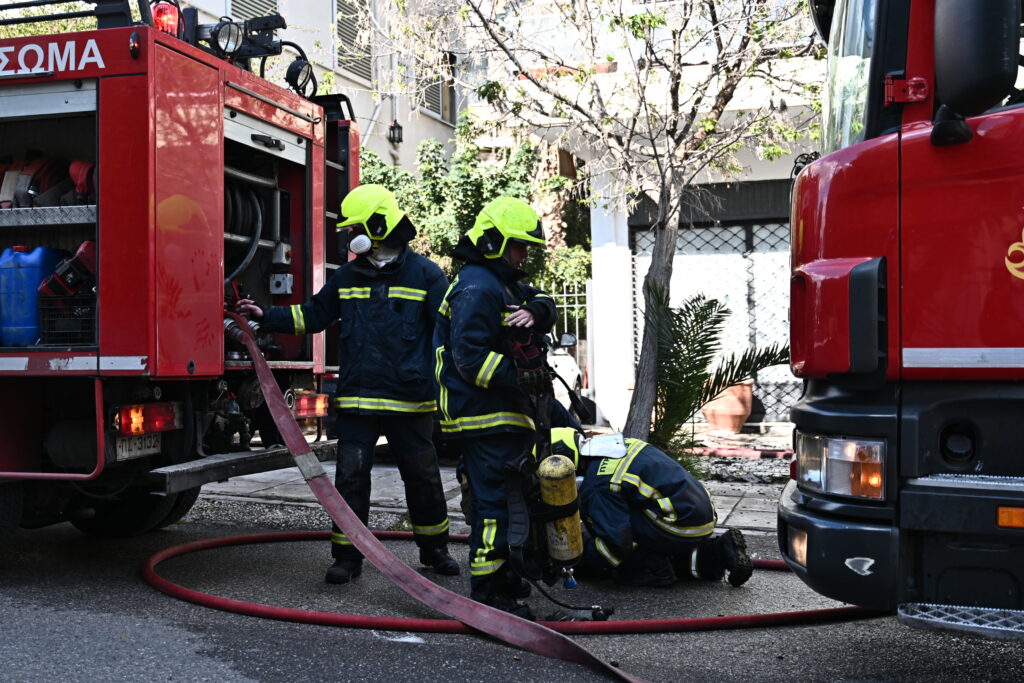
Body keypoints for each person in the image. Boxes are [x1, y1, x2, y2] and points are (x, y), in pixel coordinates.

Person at [237, 184, 459, 584]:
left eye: (356, 227)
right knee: (351, 479)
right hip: (358, 400)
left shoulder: (426, 275)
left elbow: (448, 332)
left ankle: (435, 550)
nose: (351, 237)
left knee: (423, 478)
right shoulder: (348, 277)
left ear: (379, 224)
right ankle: (347, 556)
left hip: (411, 403)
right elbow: (313, 316)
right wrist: (265, 316)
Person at [434, 196, 555, 618]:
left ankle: (504, 577)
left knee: (509, 501)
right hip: (481, 417)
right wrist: (519, 377)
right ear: (493, 242)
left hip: (502, 418)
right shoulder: (477, 286)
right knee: (492, 506)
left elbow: (541, 299)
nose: (524, 256)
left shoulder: (502, 283)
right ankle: (488, 592)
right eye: (518, 246)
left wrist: (537, 311)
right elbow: (469, 358)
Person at [547, 428, 753, 588]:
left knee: (611, 530)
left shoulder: (598, 485)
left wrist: (580, 561)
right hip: (699, 515)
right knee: (622, 516)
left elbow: (616, 545)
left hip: (677, 524)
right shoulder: (617, 445)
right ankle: (720, 551)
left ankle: (649, 568)